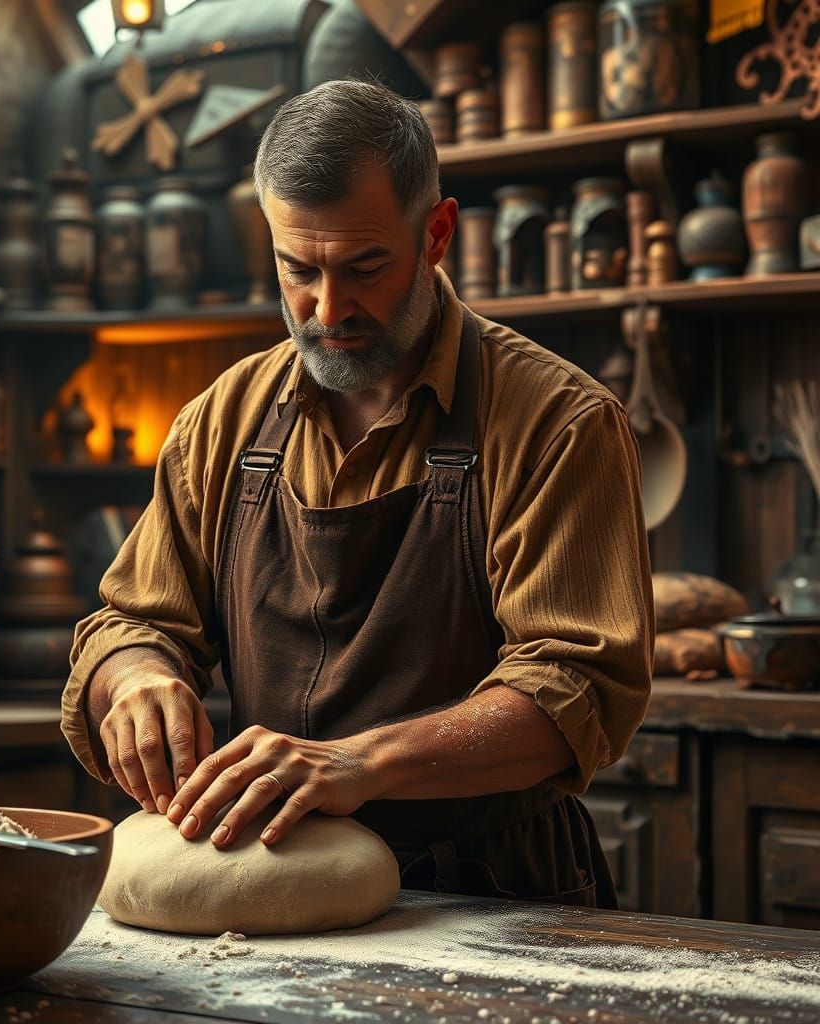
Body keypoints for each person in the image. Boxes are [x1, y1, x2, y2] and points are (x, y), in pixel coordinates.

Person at [62, 79, 653, 907]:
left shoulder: (558, 422)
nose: (327, 309)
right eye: (297, 269)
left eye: (364, 267)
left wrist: (359, 763)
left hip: (496, 891)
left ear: (436, 234)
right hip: (270, 886)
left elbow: (578, 686)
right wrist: (134, 678)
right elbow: (133, 622)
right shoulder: (221, 421)